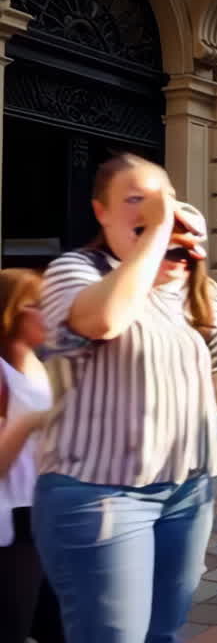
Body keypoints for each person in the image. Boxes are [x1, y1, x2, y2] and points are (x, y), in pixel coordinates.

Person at [34, 156, 217, 642]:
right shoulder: (78, 271)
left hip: (187, 491)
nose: (158, 211)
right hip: (102, 492)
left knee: (165, 633)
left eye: (164, 200)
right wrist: (155, 234)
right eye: (136, 199)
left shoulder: (202, 293)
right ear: (102, 211)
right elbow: (104, 321)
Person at [0, 269, 62, 643]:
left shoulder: (41, 367)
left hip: (47, 516)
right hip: (13, 526)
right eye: (42, 306)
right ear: (13, 312)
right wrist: (29, 424)